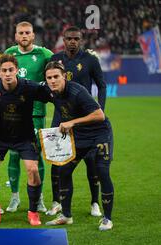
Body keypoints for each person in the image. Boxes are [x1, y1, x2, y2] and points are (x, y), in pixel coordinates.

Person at [43, 61, 114, 231]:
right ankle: (66, 215)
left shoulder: (77, 91)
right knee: (64, 170)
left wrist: (72, 122)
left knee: (102, 172)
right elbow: (29, 86)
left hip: (99, 134)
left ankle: (107, 218)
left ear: (64, 76)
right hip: (79, 136)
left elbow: (99, 115)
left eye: (56, 77)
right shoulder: (50, 91)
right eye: (49, 78)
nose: (53, 80)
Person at [0, 54, 51, 227]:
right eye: (4, 70)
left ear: (17, 70)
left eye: (10, 70)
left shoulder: (28, 87)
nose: (7, 73)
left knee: (33, 170)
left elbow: (52, 94)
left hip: (25, 136)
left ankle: (33, 212)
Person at [48, 26, 107, 217]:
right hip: (61, 116)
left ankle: (95, 202)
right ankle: (56, 201)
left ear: (80, 40)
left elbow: (102, 85)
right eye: (69, 38)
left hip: (83, 117)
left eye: (76, 38)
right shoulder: (54, 60)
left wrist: (100, 110)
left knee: (91, 161)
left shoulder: (90, 59)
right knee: (57, 160)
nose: (72, 41)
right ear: (63, 40)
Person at [4, 21, 53, 213]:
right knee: (14, 156)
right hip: (13, 113)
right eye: (20, 33)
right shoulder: (9, 53)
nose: (24, 36)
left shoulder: (44, 54)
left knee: (36, 157)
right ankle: (14, 198)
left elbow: (58, 69)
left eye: (27, 33)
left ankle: (39, 198)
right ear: (16, 36)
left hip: (36, 113)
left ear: (33, 35)